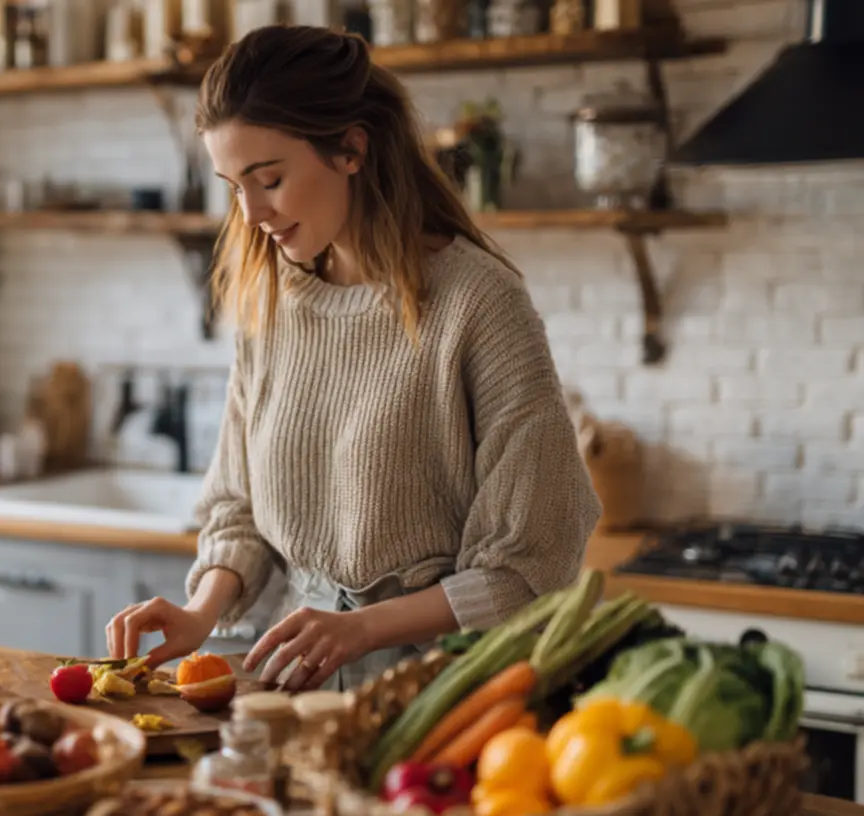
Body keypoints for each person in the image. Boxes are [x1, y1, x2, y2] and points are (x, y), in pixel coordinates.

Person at [105, 24, 601, 693]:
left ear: (351, 150)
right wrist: (202, 611)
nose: (251, 214)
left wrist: (364, 627)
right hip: (288, 681)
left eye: (270, 179)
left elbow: (530, 565)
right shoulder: (275, 298)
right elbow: (238, 508)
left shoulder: (480, 305)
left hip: (440, 695)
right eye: (233, 187)